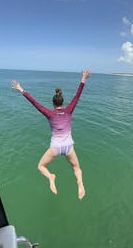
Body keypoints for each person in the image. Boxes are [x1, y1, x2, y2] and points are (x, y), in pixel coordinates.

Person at [12, 69, 91, 200]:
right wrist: (83, 79)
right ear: (62, 103)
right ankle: (80, 185)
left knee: (41, 166)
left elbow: (34, 102)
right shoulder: (69, 111)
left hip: (55, 148)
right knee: (77, 168)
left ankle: (51, 177)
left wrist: (21, 89)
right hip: (68, 147)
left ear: (53, 104)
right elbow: (77, 97)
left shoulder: (49, 114)